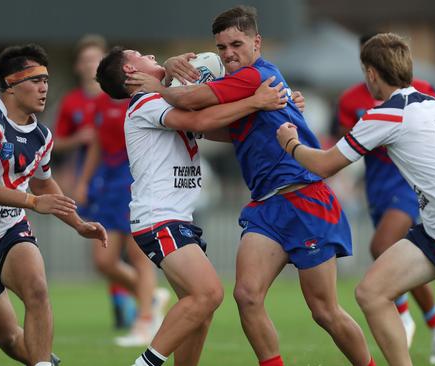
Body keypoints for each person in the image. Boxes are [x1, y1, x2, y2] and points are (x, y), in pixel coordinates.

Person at [128, 6, 375, 366]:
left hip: (304, 197)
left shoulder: (255, 76)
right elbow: (215, 125)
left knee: (324, 311)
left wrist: (157, 87)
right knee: (246, 296)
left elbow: (194, 101)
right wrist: (174, 85)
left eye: (236, 44)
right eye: (222, 46)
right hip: (266, 206)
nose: (228, 53)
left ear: (256, 42)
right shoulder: (247, 89)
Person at [276, 32, 435, 366]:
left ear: (371, 73)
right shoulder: (434, 104)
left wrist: (290, 143)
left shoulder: (384, 115)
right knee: (371, 293)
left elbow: (327, 164)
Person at [96, 46, 288, 366]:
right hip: (159, 218)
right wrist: (255, 101)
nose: (149, 55)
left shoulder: (163, 96)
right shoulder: (146, 102)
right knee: (209, 294)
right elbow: (201, 117)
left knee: (200, 311)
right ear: (131, 72)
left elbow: (222, 130)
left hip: (176, 217)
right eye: (139, 55)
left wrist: (275, 112)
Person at [0, 44, 107, 366]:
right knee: (9, 338)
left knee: (37, 290)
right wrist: (32, 201)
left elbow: (44, 183)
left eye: (47, 79)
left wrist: (78, 222)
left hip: (10, 230)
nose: (45, 87)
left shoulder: (42, 135)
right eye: (36, 80)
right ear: (10, 86)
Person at [336, 33, 435, 363]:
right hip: (378, 185)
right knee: (399, 258)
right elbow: (349, 144)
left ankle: (401, 315)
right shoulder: (350, 99)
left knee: (381, 246)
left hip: (407, 182)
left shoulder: (423, 90)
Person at [65, 35, 168, 345]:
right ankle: (152, 297)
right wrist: (83, 180)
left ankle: (145, 321)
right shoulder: (98, 101)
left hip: (135, 178)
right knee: (104, 261)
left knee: (139, 254)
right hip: (108, 182)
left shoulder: (141, 97)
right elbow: (96, 141)